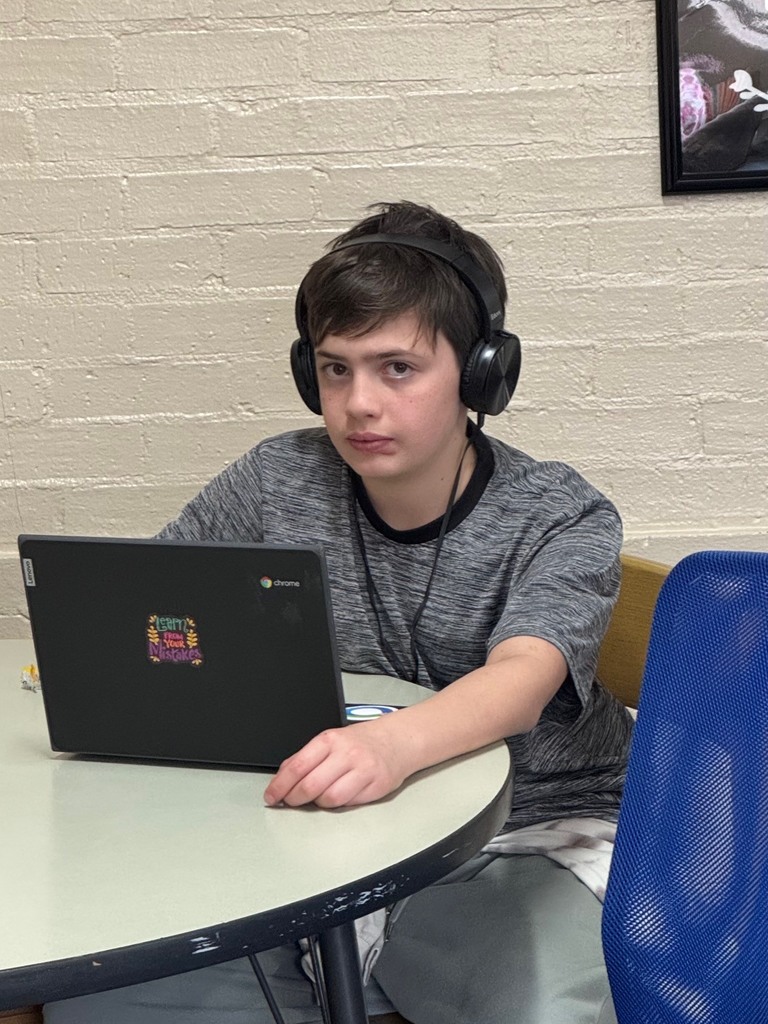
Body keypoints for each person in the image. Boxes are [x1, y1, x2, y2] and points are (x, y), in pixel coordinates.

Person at [45, 201, 632, 1024]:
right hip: (329, 828)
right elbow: (155, 602)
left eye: (397, 368)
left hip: (530, 829)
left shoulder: (561, 514)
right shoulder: (275, 480)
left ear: (480, 375)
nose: (359, 403)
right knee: (105, 994)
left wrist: (391, 745)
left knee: (527, 1004)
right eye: (335, 368)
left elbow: (523, 679)